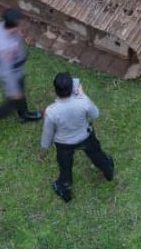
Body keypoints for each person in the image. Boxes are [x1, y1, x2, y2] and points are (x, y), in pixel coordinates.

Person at [41, 72, 114, 202]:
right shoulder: (83, 102)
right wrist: (83, 95)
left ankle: (65, 188)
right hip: (85, 136)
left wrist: (45, 145)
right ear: (72, 88)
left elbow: (48, 132)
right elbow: (95, 114)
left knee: (65, 166)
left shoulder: (51, 111)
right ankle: (108, 170)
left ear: (55, 90)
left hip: (64, 143)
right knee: (97, 154)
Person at [0, 9, 44, 128]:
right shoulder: (6, 48)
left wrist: (16, 34)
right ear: (12, 26)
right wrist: (14, 91)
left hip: (17, 71)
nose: (22, 26)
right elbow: (7, 71)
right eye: (19, 24)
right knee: (12, 102)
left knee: (21, 95)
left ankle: (23, 115)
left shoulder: (2, 26)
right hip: (11, 75)